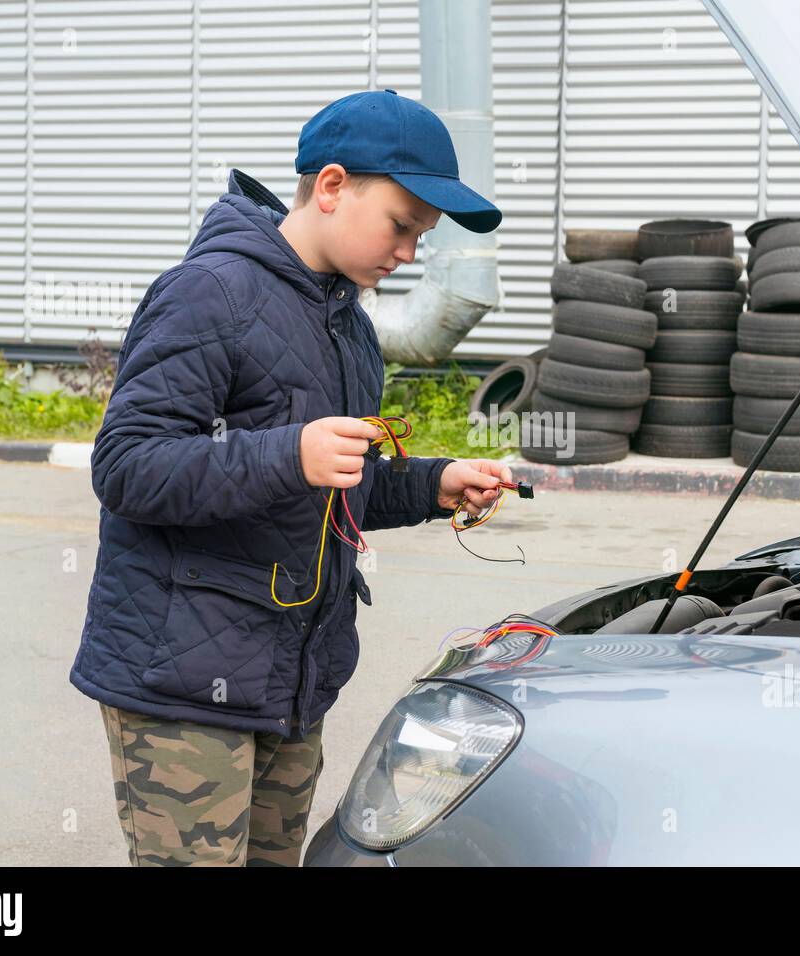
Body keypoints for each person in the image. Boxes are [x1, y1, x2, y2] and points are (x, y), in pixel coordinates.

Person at [69, 89, 509, 866]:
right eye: (402, 225)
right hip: (183, 688)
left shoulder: (350, 327)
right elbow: (128, 466)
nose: (408, 253)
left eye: (422, 237)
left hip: (289, 683)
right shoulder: (211, 292)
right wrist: (287, 453)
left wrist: (434, 484)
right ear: (332, 187)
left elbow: (339, 487)